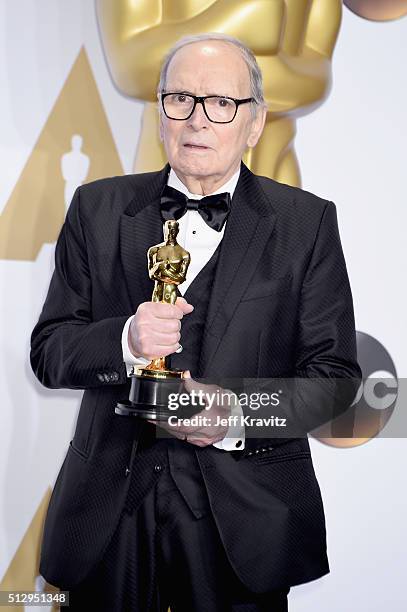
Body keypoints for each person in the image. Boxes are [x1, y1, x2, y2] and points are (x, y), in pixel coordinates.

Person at [30, 33, 361, 612]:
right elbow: (50, 351)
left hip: (243, 526)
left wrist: (235, 412)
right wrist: (125, 339)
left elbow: (334, 381)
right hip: (107, 518)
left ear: (254, 123)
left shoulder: (306, 225)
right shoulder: (96, 208)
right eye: (179, 99)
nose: (197, 120)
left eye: (220, 103)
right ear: (160, 116)